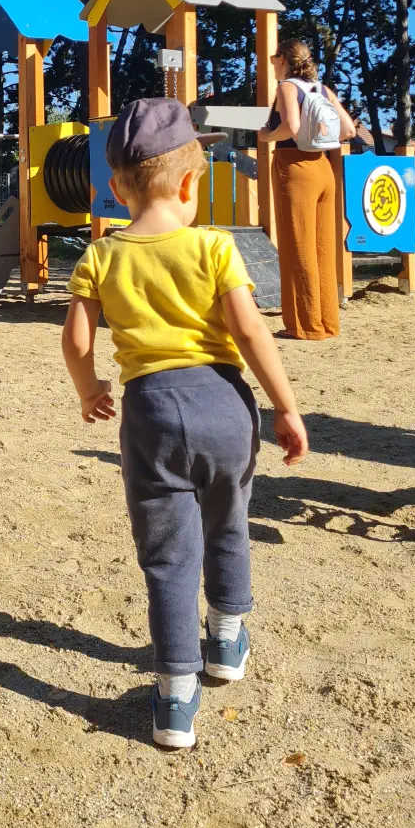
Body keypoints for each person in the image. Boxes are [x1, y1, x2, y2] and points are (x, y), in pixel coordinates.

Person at [62, 98, 308, 750]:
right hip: (226, 405)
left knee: (168, 558)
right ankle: (226, 641)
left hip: (149, 412)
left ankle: (174, 699)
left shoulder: (102, 255)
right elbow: (251, 330)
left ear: (116, 189)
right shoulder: (214, 247)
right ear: (193, 182)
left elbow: (77, 339)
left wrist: (90, 389)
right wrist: (284, 405)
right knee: (228, 521)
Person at [257, 39, 355, 340]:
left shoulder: (287, 87)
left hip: (295, 167)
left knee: (296, 246)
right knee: (323, 249)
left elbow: (291, 128)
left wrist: (266, 135)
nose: (272, 63)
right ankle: (327, 323)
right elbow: (349, 130)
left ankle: (305, 325)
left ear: (282, 60)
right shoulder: (323, 90)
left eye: (274, 58)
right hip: (323, 167)